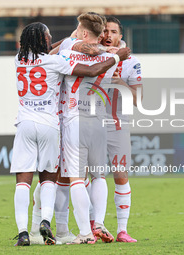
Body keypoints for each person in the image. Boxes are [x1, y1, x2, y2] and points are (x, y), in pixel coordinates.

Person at [11, 21, 130, 246]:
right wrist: (116, 55)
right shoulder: (57, 61)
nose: (50, 39)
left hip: (26, 123)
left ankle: (24, 231)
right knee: (56, 179)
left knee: (23, 183)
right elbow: (93, 69)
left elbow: (48, 48)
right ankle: (53, 221)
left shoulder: (18, 59)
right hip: (53, 124)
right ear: (43, 40)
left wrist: (68, 40)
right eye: (47, 36)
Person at [58, 13, 130, 244]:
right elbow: (112, 53)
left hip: (75, 119)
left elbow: (60, 47)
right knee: (99, 176)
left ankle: (85, 233)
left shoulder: (68, 52)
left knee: (77, 179)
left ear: (85, 33)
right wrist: (114, 53)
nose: (76, 33)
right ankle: (98, 223)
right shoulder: (111, 59)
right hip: (99, 121)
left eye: (79, 30)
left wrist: (76, 39)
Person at [101, 16, 143, 243]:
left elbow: (138, 100)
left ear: (120, 37)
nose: (108, 35)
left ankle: (122, 230)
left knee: (120, 175)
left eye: (113, 32)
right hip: (89, 125)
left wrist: (121, 83)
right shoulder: (89, 57)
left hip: (117, 125)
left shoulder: (131, 62)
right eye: (105, 31)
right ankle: (92, 228)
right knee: (90, 177)